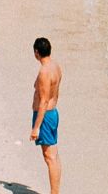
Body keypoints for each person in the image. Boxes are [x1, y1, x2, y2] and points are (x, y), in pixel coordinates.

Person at [31, 38, 62, 194]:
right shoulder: (55, 66)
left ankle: (54, 192)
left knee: (49, 157)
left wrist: (36, 127)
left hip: (45, 115)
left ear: (37, 52)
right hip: (53, 113)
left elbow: (43, 101)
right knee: (53, 156)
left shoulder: (44, 72)